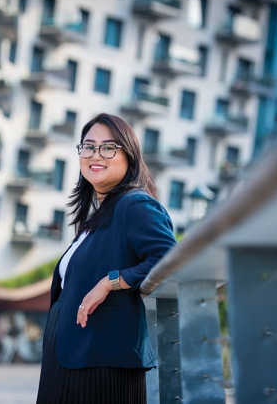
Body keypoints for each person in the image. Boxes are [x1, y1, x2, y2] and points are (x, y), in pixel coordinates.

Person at [36, 113, 177, 403]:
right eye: (88, 147)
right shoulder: (97, 218)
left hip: (101, 361)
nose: (95, 155)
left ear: (129, 155)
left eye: (108, 147)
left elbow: (168, 257)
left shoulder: (134, 204)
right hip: (71, 355)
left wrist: (110, 282)